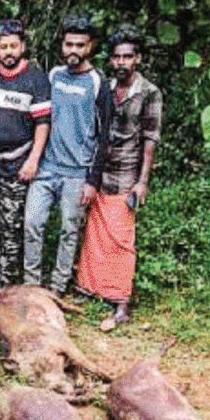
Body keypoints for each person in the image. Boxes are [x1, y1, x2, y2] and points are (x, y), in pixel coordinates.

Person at [76, 28, 161, 331]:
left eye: (128, 56)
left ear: (137, 59)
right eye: (117, 57)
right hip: (101, 168)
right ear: (110, 60)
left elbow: (150, 138)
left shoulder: (149, 92)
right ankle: (91, 288)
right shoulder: (106, 88)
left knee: (121, 237)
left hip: (128, 171)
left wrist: (142, 181)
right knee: (95, 233)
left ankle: (121, 301)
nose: (122, 62)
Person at [24, 14, 112, 295]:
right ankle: (31, 285)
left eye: (80, 45)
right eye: (68, 44)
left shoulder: (98, 82)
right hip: (47, 168)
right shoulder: (53, 76)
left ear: (90, 47)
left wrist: (92, 180)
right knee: (32, 223)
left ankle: (58, 288)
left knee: (68, 232)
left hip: (77, 174)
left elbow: (105, 134)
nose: (73, 51)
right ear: (61, 45)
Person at [0, 18, 50, 288]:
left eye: (14, 45)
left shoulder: (36, 79)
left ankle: (6, 279)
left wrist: (33, 161)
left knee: (11, 222)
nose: (9, 52)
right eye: (3, 46)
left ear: (23, 46)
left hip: (16, 162)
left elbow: (42, 124)